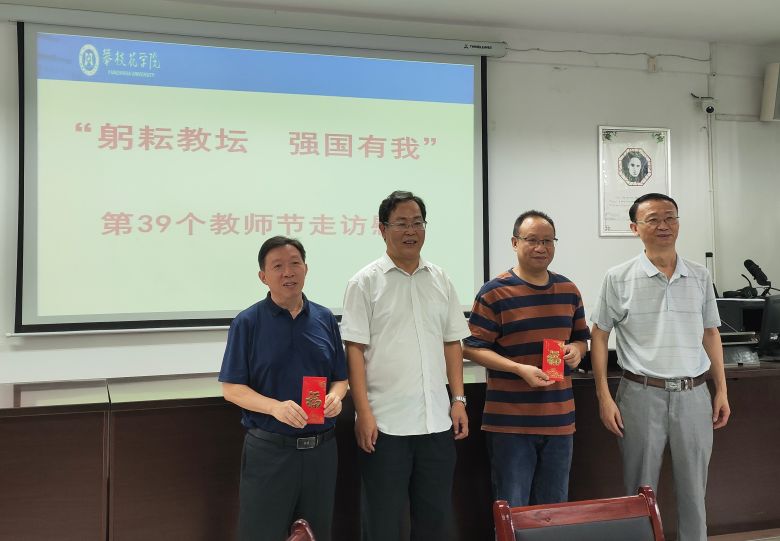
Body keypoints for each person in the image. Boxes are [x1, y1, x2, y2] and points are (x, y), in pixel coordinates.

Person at [590, 193, 730, 541]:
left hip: (694, 394)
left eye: (670, 217)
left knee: (694, 491)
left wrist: (722, 390)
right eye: (653, 219)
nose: (663, 225)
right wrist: (604, 397)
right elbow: (599, 335)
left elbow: (711, 333)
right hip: (640, 394)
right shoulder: (618, 277)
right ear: (635, 228)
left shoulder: (699, 275)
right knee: (640, 492)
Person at [340, 190, 469, 541]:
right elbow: (355, 350)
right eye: (401, 223)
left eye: (417, 222)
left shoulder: (441, 279)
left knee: (434, 522)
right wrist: (363, 412)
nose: (410, 231)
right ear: (383, 229)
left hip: (436, 422)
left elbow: (452, 343)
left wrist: (458, 400)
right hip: (385, 426)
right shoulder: (364, 282)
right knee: (382, 523)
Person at [219, 236, 348, 541]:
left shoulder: (325, 319)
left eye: (294, 264)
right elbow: (232, 389)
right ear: (263, 276)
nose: (288, 272)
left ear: (306, 269)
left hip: (321, 452)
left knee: (316, 534)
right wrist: (275, 407)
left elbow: (340, 379)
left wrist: (335, 397)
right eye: (277, 266)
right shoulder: (247, 322)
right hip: (270, 452)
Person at [463, 210, 590, 507]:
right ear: (514, 242)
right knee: (513, 509)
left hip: (560, 421)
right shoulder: (494, 292)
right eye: (532, 240)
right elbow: (470, 348)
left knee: (554, 511)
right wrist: (518, 368)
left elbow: (581, 339)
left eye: (547, 241)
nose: (540, 247)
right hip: (511, 424)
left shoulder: (569, 290)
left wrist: (576, 351)